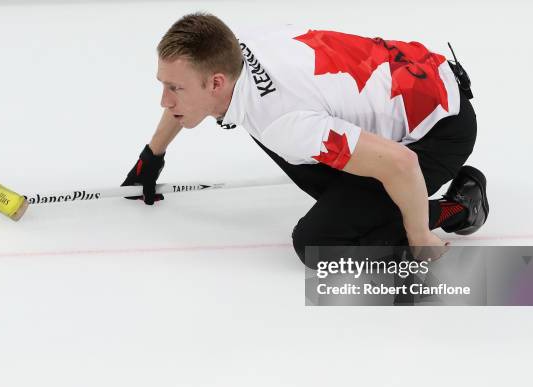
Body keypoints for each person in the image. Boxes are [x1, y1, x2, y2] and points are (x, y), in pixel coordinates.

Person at [121, 12, 489, 265]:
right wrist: (152, 155)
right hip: (418, 81)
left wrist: (421, 240)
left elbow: (402, 163)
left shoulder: (284, 122)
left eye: (174, 89)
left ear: (216, 81)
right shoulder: (233, 49)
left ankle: (460, 206)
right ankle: (367, 199)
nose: (165, 101)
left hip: (439, 131)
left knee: (318, 243)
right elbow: (189, 94)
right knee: (280, 137)